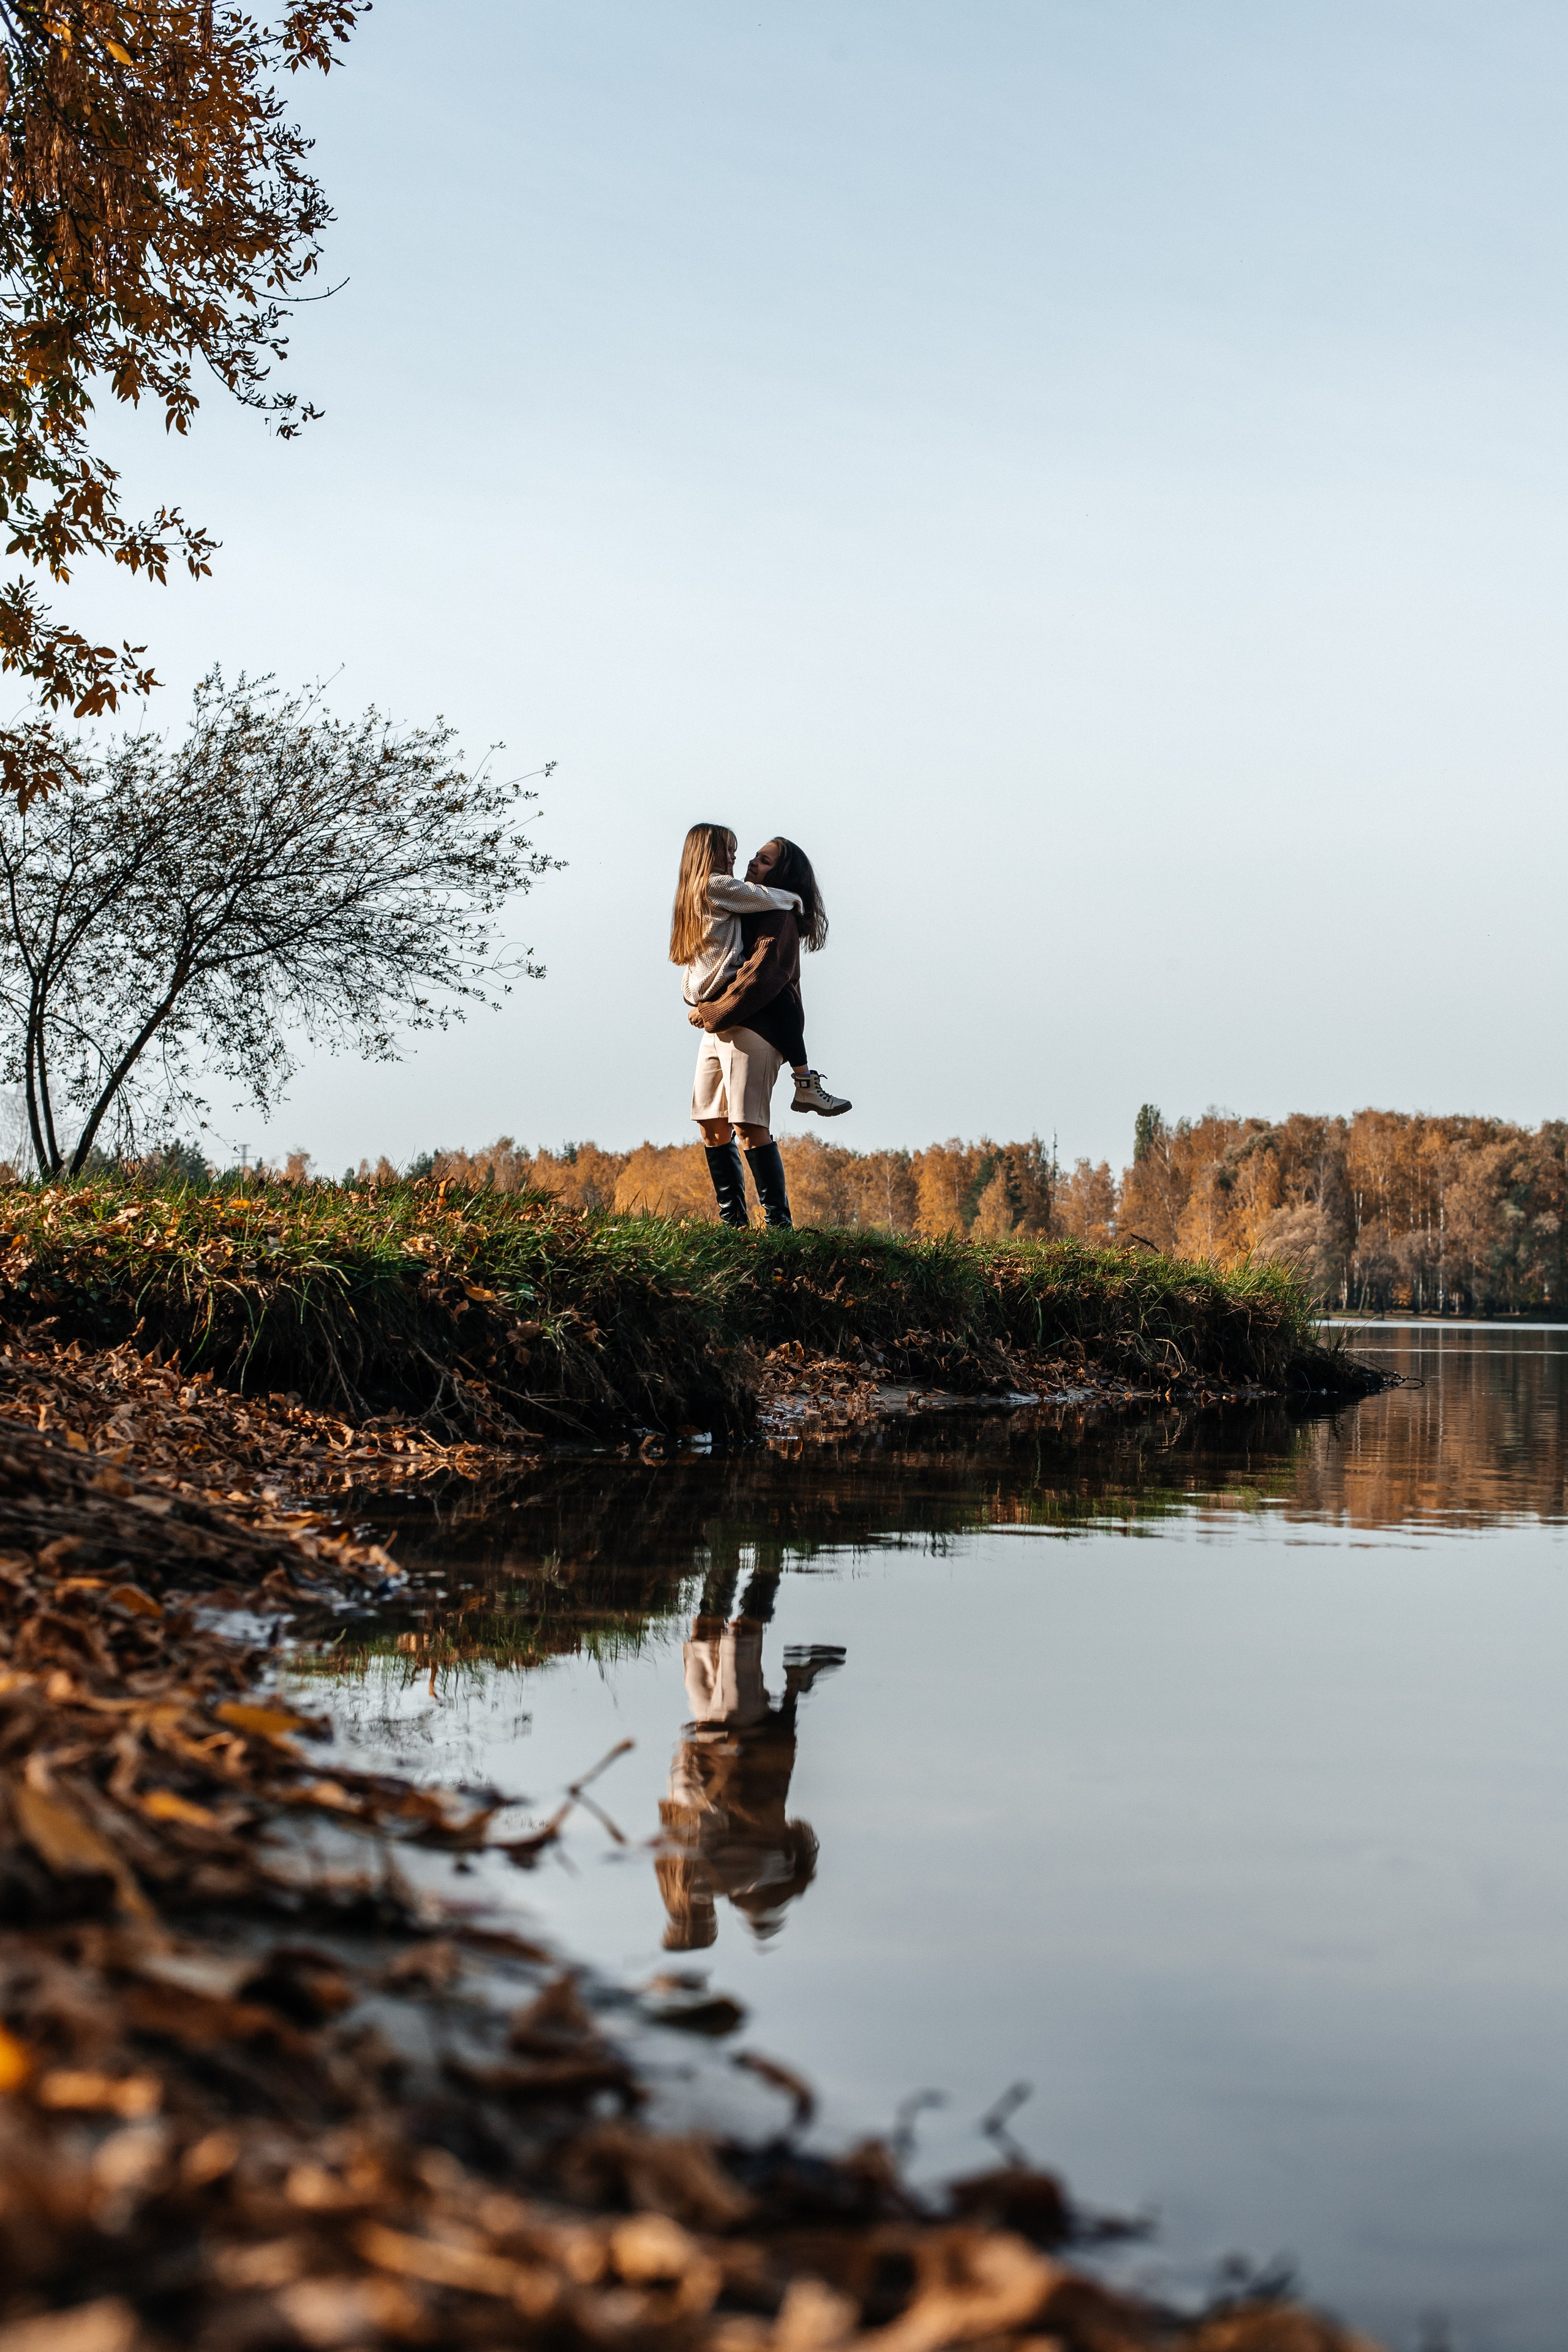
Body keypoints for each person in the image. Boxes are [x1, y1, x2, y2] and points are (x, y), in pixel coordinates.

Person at [671, 829, 850, 1230]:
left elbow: (765, 976)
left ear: (783, 873)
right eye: (754, 856)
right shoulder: (740, 903)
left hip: (754, 1026)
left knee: (749, 1123)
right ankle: (733, 1223)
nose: (753, 863)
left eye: (765, 861)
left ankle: (777, 1225)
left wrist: (713, 1011)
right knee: (709, 1120)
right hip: (718, 1025)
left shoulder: (777, 914)